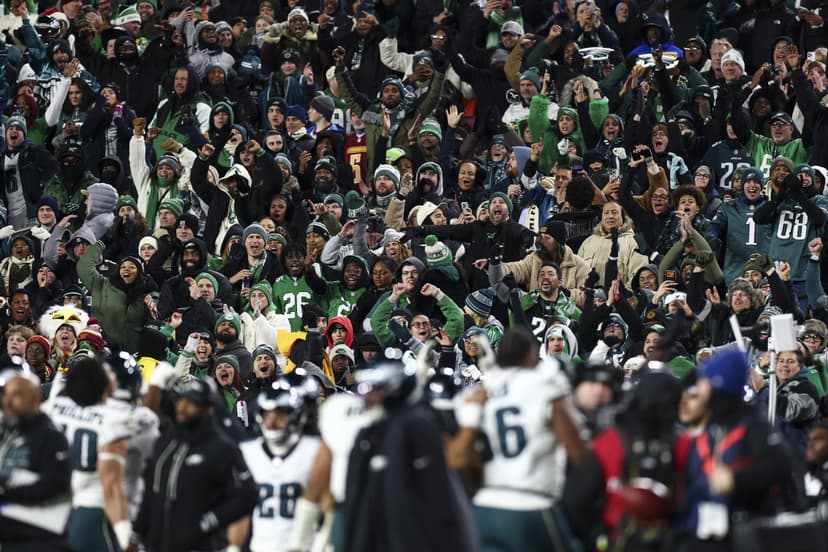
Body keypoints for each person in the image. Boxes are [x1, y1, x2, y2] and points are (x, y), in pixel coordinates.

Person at [468, 328, 587, 551]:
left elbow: (466, 456)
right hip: (531, 504)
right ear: (532, 353)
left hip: (484, 505)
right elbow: (579, 453)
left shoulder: (481, 391)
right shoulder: (542, 385)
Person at [134, 378, 258, 552]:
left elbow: (247, 495)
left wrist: (210, 520)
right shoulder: (166, 442)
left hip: (199, 546)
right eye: (182, 400)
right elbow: (150, 491)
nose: (183, 407)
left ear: (209, 409)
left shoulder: (222, 448)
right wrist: (137, 531)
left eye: (192, 403)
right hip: (155, 545)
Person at [43, 357, 135, 552]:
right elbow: (111, 485)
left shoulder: (49, 409)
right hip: (89, 510)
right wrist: (125, 535)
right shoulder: (115, 417)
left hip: (48, 507)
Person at [238, 382, 321, 552]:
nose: (272, 423)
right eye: (267, 416)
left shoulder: (315, 449)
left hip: (304, 547)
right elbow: (240, 507)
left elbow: (329, 501)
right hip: (261, 547)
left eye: (280, 416)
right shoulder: (249, 451)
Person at [0, 371, 72, 551]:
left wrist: (7, 492)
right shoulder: (9, 432)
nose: (8, 402)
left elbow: (56, 483)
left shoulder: (51, 436)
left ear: (36, 400)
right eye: (6, 395)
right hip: (10, 538)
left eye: (17, 395)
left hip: (40, 540)